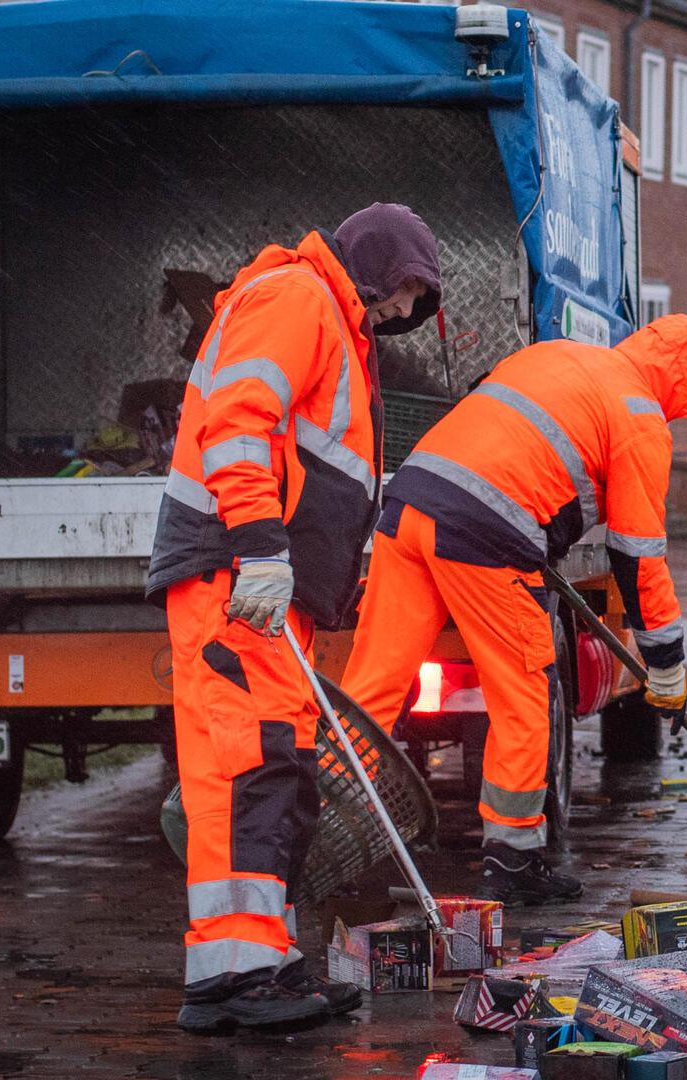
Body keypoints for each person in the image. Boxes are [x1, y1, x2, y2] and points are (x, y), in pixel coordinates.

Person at [146, 203, 442, 1035]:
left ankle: (241, 967)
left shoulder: (318, 312)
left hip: (243, 581)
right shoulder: (299, 300)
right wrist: (263, 550)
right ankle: (246, 972)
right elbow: (238, 424)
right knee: (263, 770)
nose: (399, 313)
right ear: (377, 268)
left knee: (236, 779)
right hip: (241, 578)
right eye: (403, 292)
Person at [342, 314, 687, 904]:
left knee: (371, 686)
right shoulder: (641, 418)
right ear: (683, 385)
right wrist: (667, 667)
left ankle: (328, 823)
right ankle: (513, 860)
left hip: (409, 504)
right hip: (484, 535)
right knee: (522, 695)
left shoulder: (562, 357)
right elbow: (638, 555)